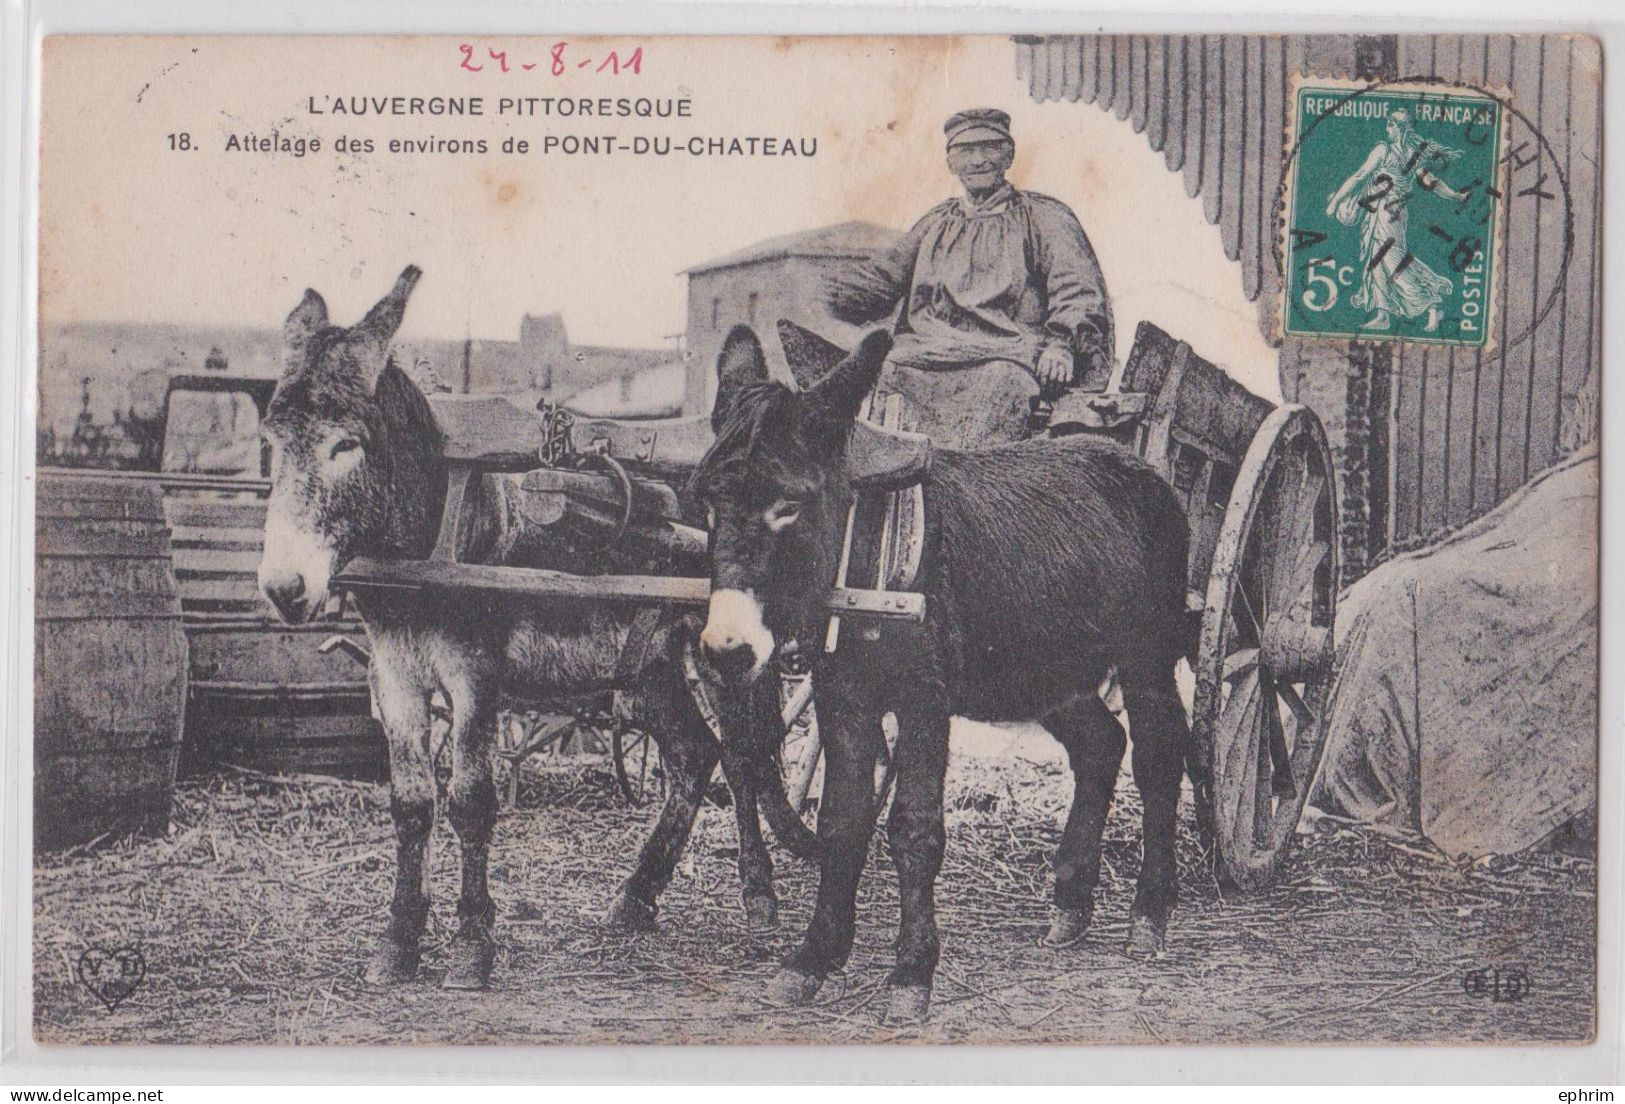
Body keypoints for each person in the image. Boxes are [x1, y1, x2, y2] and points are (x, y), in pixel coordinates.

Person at [825, 108, 1113, 447]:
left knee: (1003, 384)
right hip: (924, 354)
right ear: (950, 163)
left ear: (1009, 155)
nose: (978, 160)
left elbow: (1076, 289)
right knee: (881, 379)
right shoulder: (935, 223)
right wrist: (829, 290)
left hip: (1005, 356)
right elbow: (885, 277)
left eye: (990, 147)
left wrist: (1061, 346)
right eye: (965, 150)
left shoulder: (1043, 218)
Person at [1325, 108, 1471, 333]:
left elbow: (1360, 176)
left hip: (1389, 213)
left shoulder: (1384, 150)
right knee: (1377, 261)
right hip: (1386, 213)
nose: (1386, 129)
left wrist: (1335, 201)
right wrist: (1456, 196)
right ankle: (1383, 315)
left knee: (1392, 260)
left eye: (1390, 125)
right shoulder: (1412, 153)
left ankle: (1430, 301)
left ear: (1400, 128)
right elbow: (1430, 182)